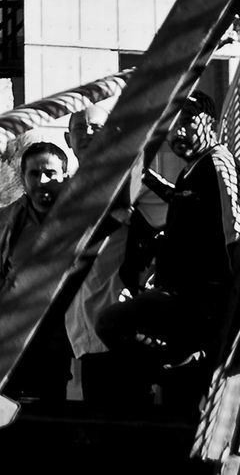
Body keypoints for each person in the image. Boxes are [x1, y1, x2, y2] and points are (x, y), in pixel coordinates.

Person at [97, 91, 240, 411]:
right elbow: (178, 199)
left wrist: (228, 323)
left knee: (110, 322)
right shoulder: (189, 170)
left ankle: (182, 371)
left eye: (188, 120)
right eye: (172, 122)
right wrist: (142, 173)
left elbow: (236, 234)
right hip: (178, 296)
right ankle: (178, 369)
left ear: (211, 124)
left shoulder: (217, 162)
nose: (178, 130)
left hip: (200, 301)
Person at [0, 140, 73, 401]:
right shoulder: (1, 221)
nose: (42, 180)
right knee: (9, 403)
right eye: (34, 174)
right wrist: (1, 289)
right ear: (23, 178)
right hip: (15, 328)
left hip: (68, 324)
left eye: (50, 174)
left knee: (54, 403)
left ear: (65, 177)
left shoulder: (83, 214)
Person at [62, 101, 153, 409]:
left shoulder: (133, 184)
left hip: (120, 327)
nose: (87, 134)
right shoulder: (65, 192)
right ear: (68, 139)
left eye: (96, 127)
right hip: (80, 333)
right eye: (79, 128)